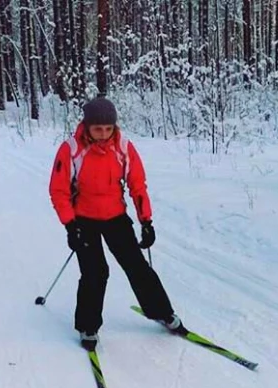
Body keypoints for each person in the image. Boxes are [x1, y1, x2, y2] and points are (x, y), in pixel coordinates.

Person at [48, 96, 183, 351]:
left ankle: (161, 312)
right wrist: (70, 225)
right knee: (96, 272)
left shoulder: (123, 146)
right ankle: (87, 326)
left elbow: (137, 184)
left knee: (137, 266)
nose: (103, 134)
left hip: (115, 217)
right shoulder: (71, 149)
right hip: (84, 220)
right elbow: (58, 190)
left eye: (108, 129)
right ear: (87, 126)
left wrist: (146, 221)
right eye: (97, 129)